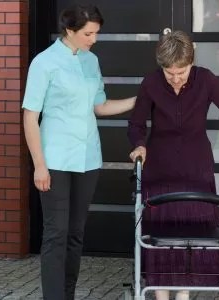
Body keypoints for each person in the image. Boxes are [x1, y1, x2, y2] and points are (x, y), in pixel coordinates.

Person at [22, 4, 135, 300]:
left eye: (96, 33)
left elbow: (99, 106)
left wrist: (139, 98)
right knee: (56, 235)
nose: (94, 39)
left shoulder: (91, 61)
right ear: (69, 31)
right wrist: (39, 165)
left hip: (88, 159)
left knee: (75, 235)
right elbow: (30, 116)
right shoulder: (43, 63)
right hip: (55, 160)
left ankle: (67, 295)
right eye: (88, 33)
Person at [128, 30, 219, 300]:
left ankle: (182, 294)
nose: (176, 78)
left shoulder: (205, 80)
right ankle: (159, 294)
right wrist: (139, 144)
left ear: (191, 63)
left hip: (196, 174)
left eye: (181, 72)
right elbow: (136, 123)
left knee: (191, 238)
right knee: (161, 238)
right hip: (159, 173)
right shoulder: (151, 83)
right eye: (170, 73)